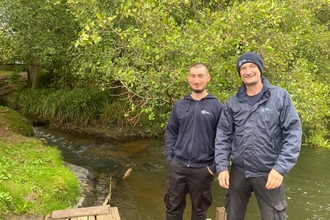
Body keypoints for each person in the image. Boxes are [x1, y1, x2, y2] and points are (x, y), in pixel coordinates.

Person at [215, 52, 302, 220]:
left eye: (252, 66)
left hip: (269, 172)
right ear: (240, 73)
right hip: (239, 171)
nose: (248, 71)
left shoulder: (280, 97)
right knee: (232, 215)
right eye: (243, 68)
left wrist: (280, 168)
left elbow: (293, 133)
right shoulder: (232, 102)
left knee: (274, 217)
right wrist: (222, 167)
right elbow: (224, 135)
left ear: (260, 69)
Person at [164, 63, 223, 220]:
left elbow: (224, 140)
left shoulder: (217, 107)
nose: (196, 80)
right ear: (188, 78)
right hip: (178, 166)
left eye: (200, 76)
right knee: (172, 208)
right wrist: (171, 159)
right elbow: (171, 133)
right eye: (193, 76)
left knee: (199, 211)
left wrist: (213, 167)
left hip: (203, 170)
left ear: (208, 78)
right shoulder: (180, 105)